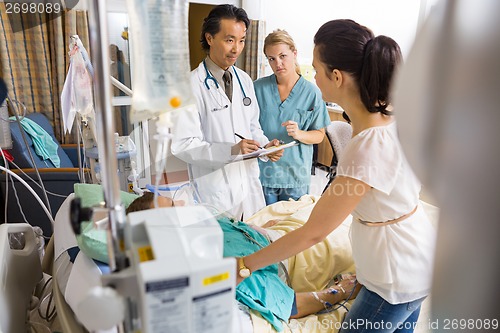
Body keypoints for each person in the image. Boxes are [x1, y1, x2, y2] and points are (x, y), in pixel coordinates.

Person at [237, 19, 436, 333]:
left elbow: (312, 233)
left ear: (337, 77)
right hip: (415, 257)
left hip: (394, 277)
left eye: (316, 69)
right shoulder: (389, 119)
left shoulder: (368, 145)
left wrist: (245, 265)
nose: (312, 76)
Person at [126, 192, 361, 328]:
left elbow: (237, 226)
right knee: (349, 228)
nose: (182, 203)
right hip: (296, 257)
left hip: (276, 233)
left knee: (319, 205)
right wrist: (339, 292)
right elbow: (289, 305)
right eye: (173, 207)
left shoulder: (202, 226)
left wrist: (255, 229)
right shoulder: (216, 265)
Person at [171, 5, 282, 221]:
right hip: (215, 191)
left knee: (253, 243)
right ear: (210, 38)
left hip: (248, 185)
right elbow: (183, 145)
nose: (236, 49)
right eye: (229, 40)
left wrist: (265, 146)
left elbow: (252, 127)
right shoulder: (190, 86)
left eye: (241, 40)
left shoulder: (245, 80)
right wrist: (229, 151)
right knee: (224, 250)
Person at [254, 29, 330, 204]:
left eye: (282, 56)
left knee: (290, 225)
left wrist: (299, 134)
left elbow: (319, 134)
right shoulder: (257, 88)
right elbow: (248, 127)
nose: (278, 63)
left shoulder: (312, 92)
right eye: (271, 59)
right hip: (263, 173)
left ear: (294, 53)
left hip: (295, 176)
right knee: (261, 226)